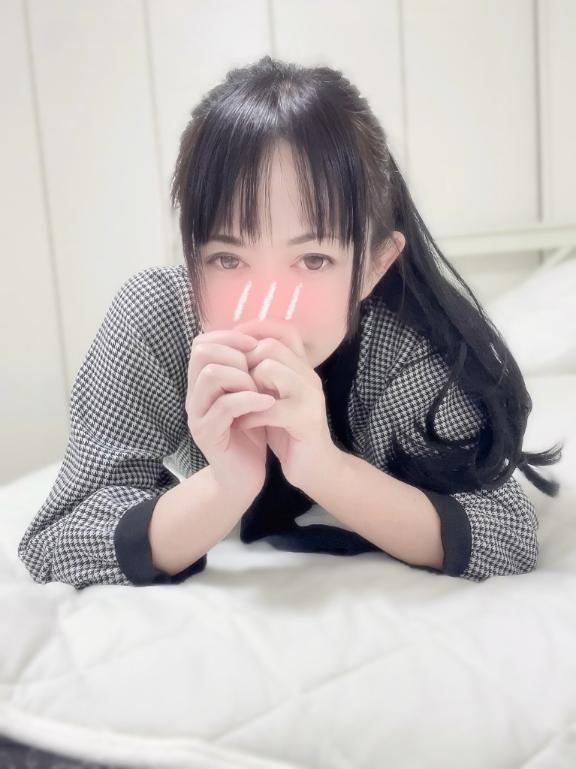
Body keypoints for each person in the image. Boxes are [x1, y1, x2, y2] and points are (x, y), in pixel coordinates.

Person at [18, 56, 563, 589]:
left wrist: (324, 467)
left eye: (313, 260)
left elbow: (506, 535)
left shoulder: (400, 343)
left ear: (374, 267)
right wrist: (225, 485)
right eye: (227, 259)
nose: (266, 305)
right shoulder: (157, 317)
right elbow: (58, 537)